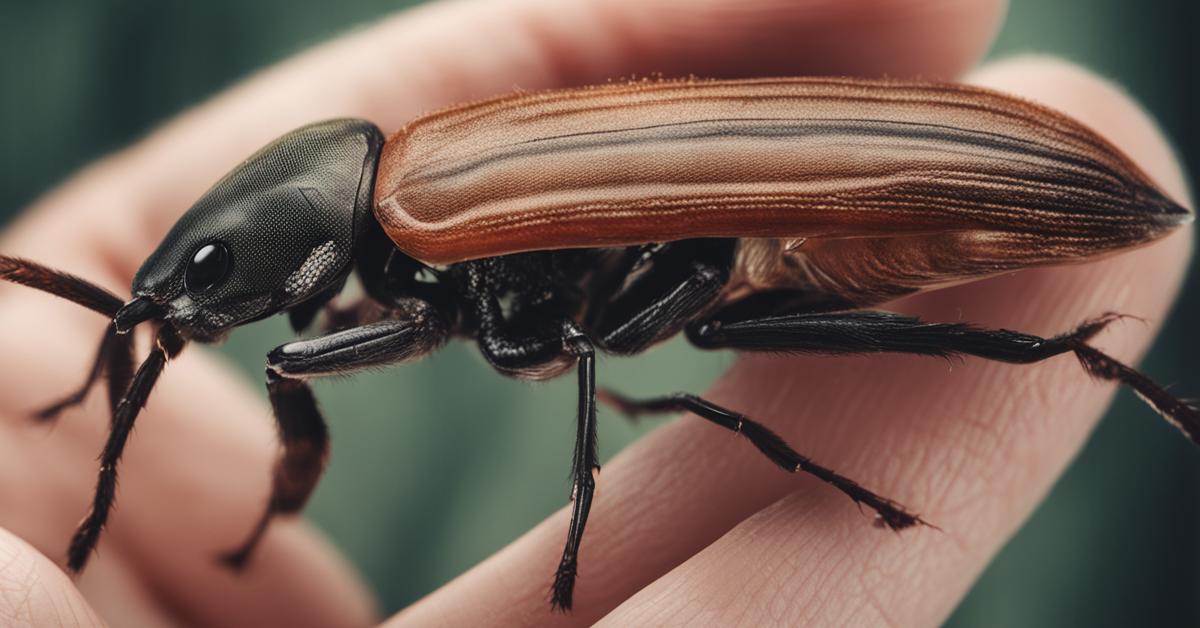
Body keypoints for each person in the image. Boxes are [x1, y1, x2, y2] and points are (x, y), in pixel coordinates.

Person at [0, 0, 1189, 625]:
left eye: (211, 274)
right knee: (700, 314)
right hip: (770, 205)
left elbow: (565, 339)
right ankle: (1068, 352)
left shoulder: (426, 204)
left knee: (690, 315)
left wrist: (582, 511)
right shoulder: (417, 196)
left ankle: (1067, 353)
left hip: (830, 197)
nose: (191, 309)